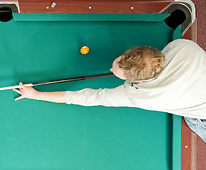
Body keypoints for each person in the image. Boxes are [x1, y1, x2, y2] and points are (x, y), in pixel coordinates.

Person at [13, 39, 206, 142]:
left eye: (118, 74)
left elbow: (88, 97)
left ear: (134, 80)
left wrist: (36, 94)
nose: (112, 70)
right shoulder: (184, 47)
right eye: (117, 63)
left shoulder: (139, 96)